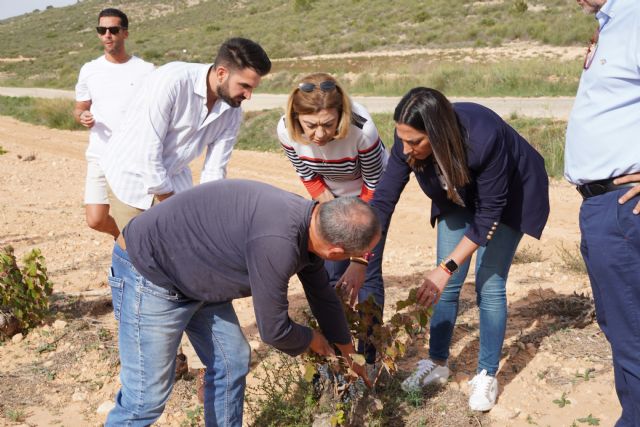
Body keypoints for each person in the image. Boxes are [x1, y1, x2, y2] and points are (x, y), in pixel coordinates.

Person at [105, 179, 378, 426]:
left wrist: (348, 353)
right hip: (151, 274)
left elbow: (321, 295)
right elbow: (274, 330)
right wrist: (312, 339)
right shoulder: (277, 242)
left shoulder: (312, 223)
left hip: (197, 273)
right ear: (336, 252)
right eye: (358, 255)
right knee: (145, 400)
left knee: (231, 361)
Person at [355, 87, 549, 411]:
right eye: (402, 139)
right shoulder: (410, 137)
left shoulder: (483, 137)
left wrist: (446, 269)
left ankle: (486, 374)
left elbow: (489, 214)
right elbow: (384, 199)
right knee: (442, 286)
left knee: (489, 281)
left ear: (438, 133)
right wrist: (360, 255)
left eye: (414, 142)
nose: (405, 149)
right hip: (457, 193)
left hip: (509, 198)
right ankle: (437, 363)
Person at [101, 37, 271, 232]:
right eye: (244, 86)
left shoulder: (232, 109)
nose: (248, 95)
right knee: (137, 255)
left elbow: (215, 169)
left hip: (174, 180)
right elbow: (147, 153)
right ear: (222, 73)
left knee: (182, 252)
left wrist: (206, 209)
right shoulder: (172, 81)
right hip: (131, 177)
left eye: (252, 88)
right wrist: (176, 208)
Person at [277, 73, 388, 367]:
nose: (320, 134)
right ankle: (338, 352)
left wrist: (360, 258)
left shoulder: (363, 130)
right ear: (296, 117)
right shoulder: (285, 130)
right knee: (327, 273)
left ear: (342, 114)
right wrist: (331, 215)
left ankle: (371, 355)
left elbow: (374, 188)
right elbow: (309, 177)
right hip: (328, 195)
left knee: (366, 276)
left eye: (328, 124)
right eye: (310, 125)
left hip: (368, 195)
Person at [565, 1, 640, 424]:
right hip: (605, 205)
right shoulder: (613, 24)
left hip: (622, 204)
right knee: (623, 326)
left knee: (632, 335)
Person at [73, 8, 154, 238]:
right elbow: (80, 107)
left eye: (113, 30)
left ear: (125, 34)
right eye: (102, 30)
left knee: (136, 216)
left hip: (132, 158)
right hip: (100, 155)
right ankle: (130, 243)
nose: (107, 35)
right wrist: (82, 116)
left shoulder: (146, 70)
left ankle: (136, 251)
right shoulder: (90, 70)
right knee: (95, 219)